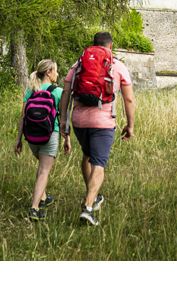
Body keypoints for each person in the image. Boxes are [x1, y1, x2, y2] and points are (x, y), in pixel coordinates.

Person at [59, 31, 135, 226]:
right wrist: (130, 125)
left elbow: (66, 91)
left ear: (93, 45)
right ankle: (88, 207)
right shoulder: (117, 65)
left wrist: (63, 121)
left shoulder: (79, 64)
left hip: (79, 121)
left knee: (87, 155)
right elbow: (129, 99)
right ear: (111, 46)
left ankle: (93, 196)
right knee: (99, 163)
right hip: (104, 121)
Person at [14, 59, 68, 221]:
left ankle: (43, 198)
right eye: (56, 71)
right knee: (44, 171)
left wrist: (19, 139)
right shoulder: (58, 92)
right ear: (49, 72)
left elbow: (23, 117)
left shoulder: (31, 90)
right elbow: (63, 118)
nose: (57, 74)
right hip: (50, 134)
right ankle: (34, 208)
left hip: (31, 136)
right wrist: (67, 139)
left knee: (41, 168)